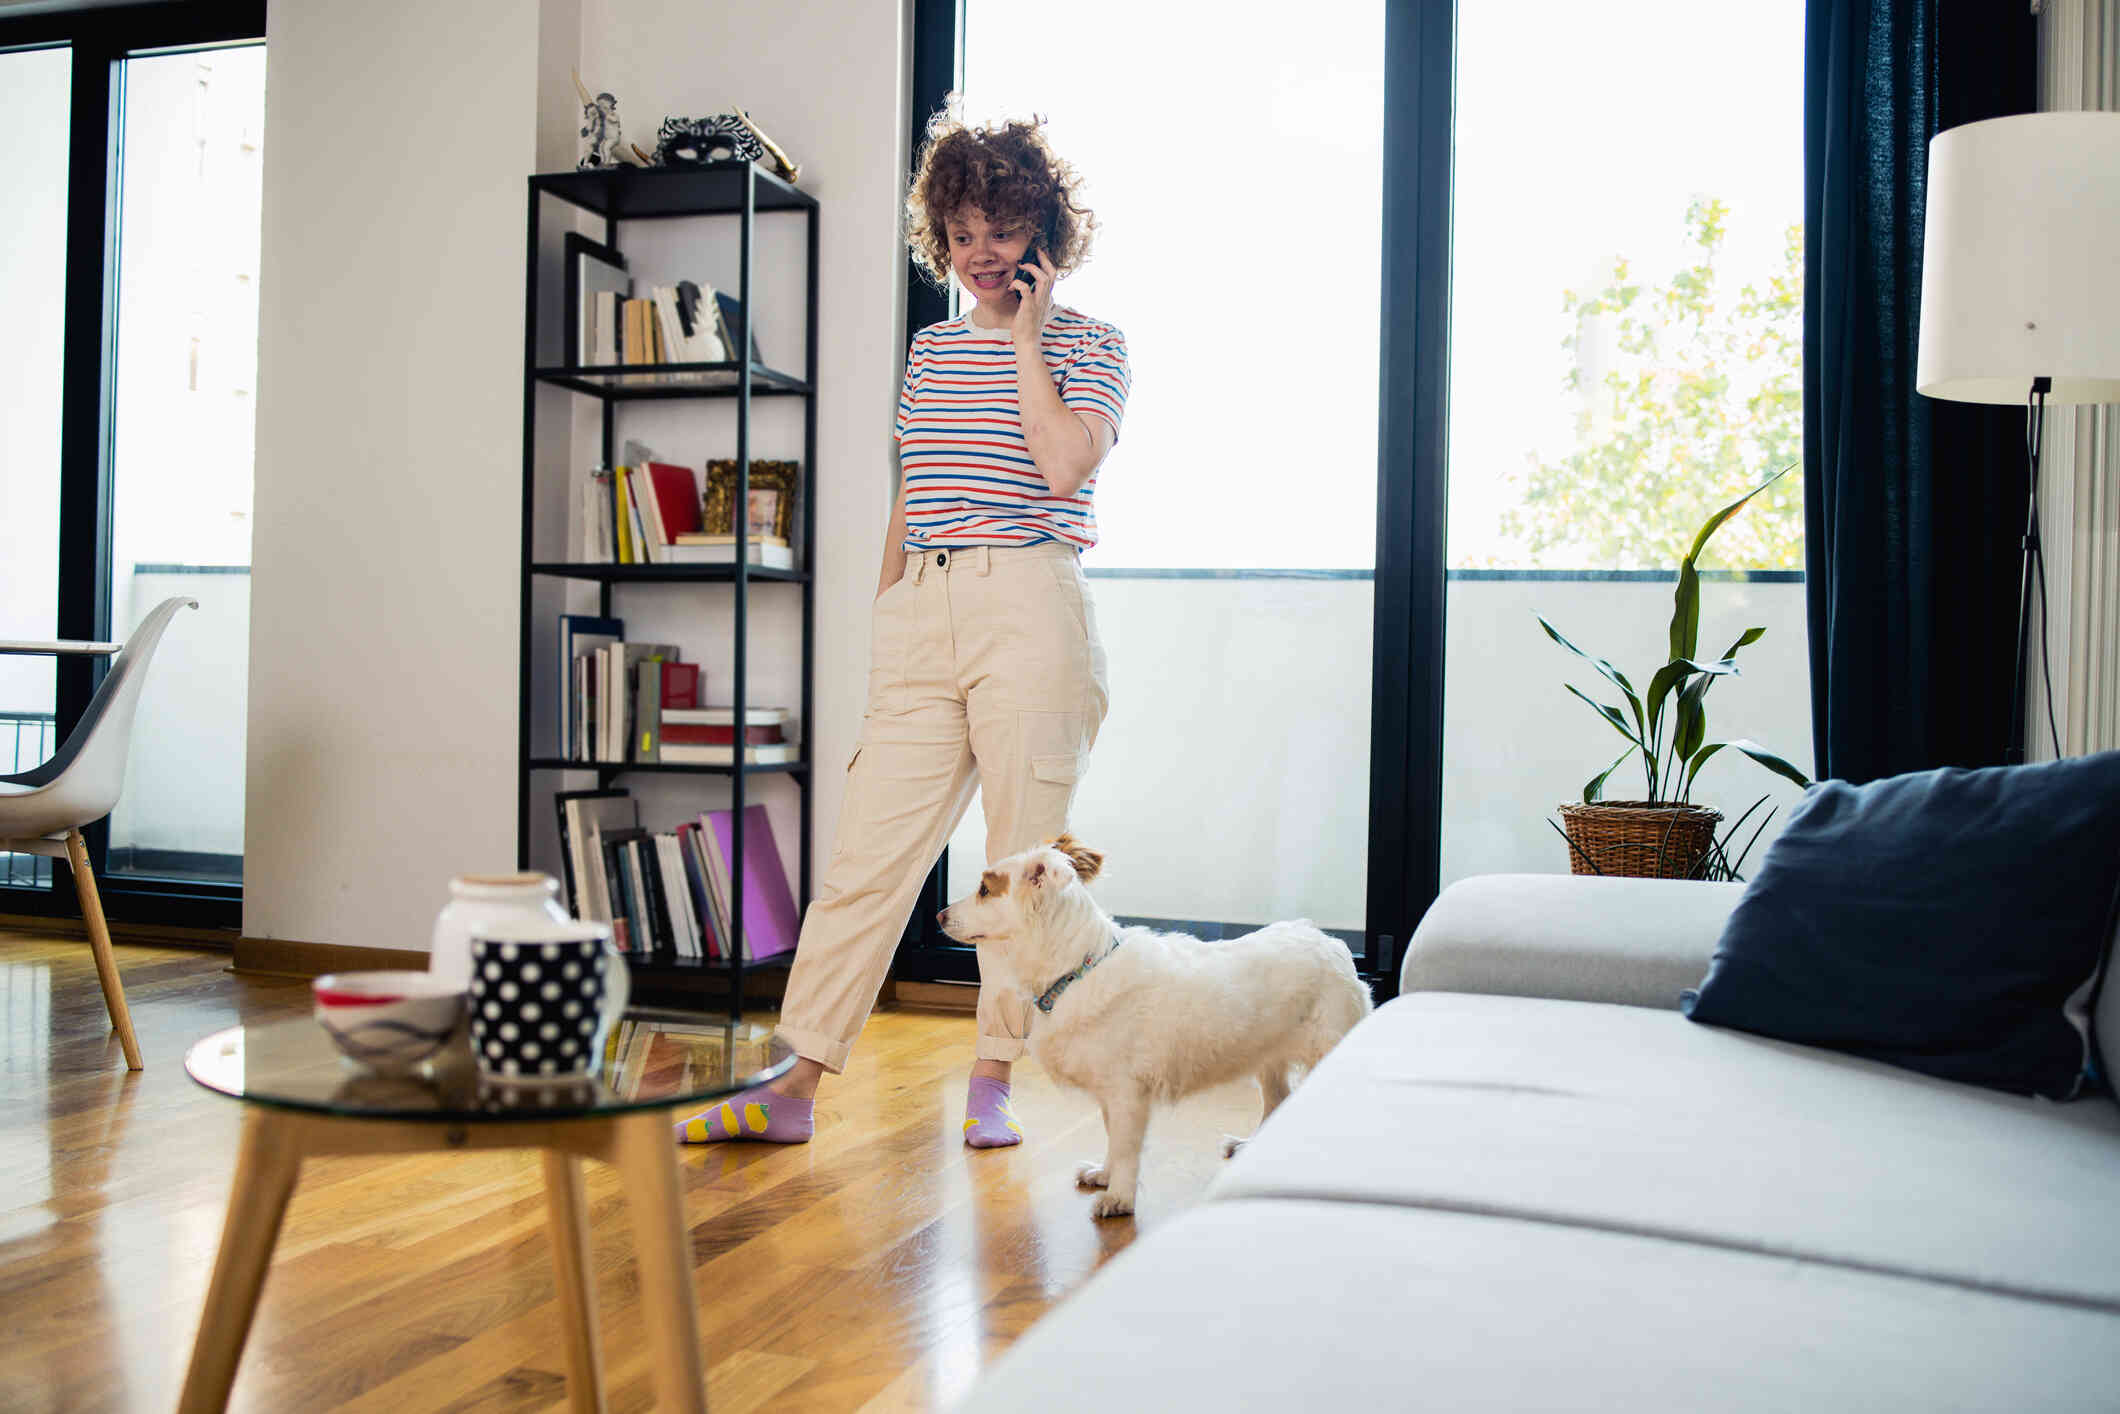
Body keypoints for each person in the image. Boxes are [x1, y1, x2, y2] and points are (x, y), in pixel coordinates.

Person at [676, 110, 1130, 1148]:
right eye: (962, 231)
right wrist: (889, 610)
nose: (981, 252)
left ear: (1043, 233)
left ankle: (989, 1084)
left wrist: (1023, 340)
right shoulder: (928, 351)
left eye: (1003, 228)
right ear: (941, 235)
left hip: (1029, 603)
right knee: (863, 861)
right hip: (922, 609)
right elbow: (913, 488)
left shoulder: (1091, 344)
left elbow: (1061, 464)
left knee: (1024, 868)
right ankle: (791, 1086)